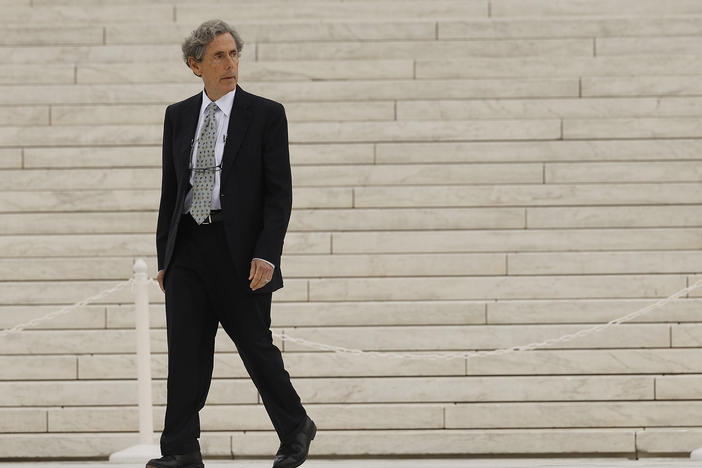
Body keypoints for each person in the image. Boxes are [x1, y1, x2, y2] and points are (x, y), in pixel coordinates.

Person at [149, 19, 316, 468]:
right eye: (219, 56)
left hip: (239, 249)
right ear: (194, 64)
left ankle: (295, 426)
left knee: (255, 346)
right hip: (187, 247)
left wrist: (267, 253)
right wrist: (166, 255)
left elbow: (279, 193)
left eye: (234, 54)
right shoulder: (177, 116)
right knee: (185, 353)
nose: (230, 64)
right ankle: (180, 448)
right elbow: (172, 190)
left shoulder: (265, 114)